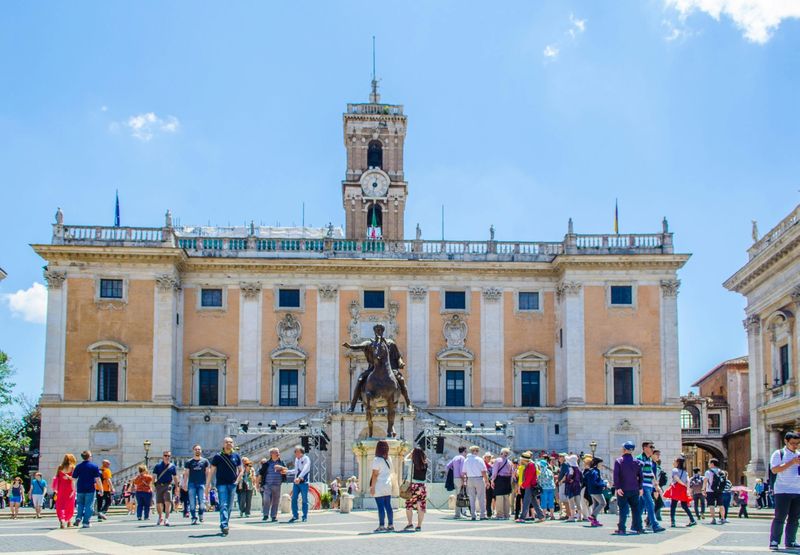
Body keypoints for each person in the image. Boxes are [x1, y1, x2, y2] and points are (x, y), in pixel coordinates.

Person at [345, 324, 414, 413]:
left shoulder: (390, 343)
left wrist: (400, 362)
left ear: (383, 331)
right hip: (373, 368)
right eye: (377, 330)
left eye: (380, 330)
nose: (379, 332)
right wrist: (350, 346)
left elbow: (398, 356)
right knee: (360, 379)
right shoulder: (370, 343)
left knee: (401, 379)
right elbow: (359, 346)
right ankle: (352, 406)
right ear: (374, 331)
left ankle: (408, 403)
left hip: (390, 368)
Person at [768, 430, 800, 550]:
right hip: (782, 490)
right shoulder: (779, 453)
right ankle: (774, 541)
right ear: (786, 441)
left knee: (794, 518)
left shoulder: (799, 454)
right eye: (792, 443)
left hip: (797, 490)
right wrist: (792, 462)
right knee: (780, 517)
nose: (795, 446)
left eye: (797, 443)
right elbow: (775, 470)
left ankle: (791, 541)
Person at [207, 437, 243, 535]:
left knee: (230, 506)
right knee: (223, 505)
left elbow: (241, 470)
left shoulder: (236, 456)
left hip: (232, 484)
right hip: (221, 484)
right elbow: (211, 471)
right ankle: (224, 525)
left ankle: (225, 523)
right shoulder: (218, 456)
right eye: (226, 442)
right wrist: (208, 485)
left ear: (233, 444)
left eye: (230, 442)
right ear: (223, 444)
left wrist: (237, 480)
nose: (228, 444)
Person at [613, 441, 644, 536]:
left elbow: (616, 475)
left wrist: (617, 487)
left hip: (623, 488)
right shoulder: (637, 462)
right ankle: (639, 528)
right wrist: (640, 487)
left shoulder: (619, 461)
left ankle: (622, 528)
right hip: (634, 488)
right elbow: (641, 476)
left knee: (623, 509)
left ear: (624, 449)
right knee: (636, 509)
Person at [637, 441, 665, 533]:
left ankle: (636, 525)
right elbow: (638, 474)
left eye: (653, 447)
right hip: (644, 486)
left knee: (641, 506)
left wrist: (656, 485)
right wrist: (640, 487)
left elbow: (651, 473)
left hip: (648, 485)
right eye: (651, 447)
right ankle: (655, 525)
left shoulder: (648, 459)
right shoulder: (640, 459)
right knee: (650, 503)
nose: (653, 448)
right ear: (645, 448)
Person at [72, 450, 103, 528]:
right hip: (90, 488)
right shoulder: (94, 466)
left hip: (80, 488)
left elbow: (74, 479)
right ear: (89, 457)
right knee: (89, 505)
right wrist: (101, 489)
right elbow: (97, 479)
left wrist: (73, 489)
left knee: (80, 504)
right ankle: (86, 522)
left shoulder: (78, 466)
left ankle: (79, 517)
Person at [663, 455, 697, 528]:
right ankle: (692, 519)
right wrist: (686, 488)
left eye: (674, 461)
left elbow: (676, 478)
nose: (673, 462)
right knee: (684, 506)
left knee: (673, 506)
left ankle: (673, 522)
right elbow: (688, 481)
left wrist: (682, 483)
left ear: (678, 462)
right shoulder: (685, 472)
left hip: (676, 488)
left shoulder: (675, 470)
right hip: (683, 489)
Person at [369, 439, 394, 532]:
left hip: (379, 485)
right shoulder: (389, 458)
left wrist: (372, 487)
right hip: (388, 484)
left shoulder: (376, 459)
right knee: (388, 505)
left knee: (380, 506)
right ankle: (391, 524)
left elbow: (375, 475)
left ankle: (382, 525)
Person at [283, 444, 311, 523]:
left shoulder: (306, 459)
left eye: (296, 452)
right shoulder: (296, 459)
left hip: (304, 482)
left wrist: (299, 477)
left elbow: (305, 469)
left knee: (305, 500)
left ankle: (304, 516)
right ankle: (295, 515)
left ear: (300, 452)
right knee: (294, 498)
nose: (295, 453)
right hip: (296, 482)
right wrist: (287, 472)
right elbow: (296, 470)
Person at [184, 444, 210, 525]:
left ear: (201, 451)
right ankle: (193, 517)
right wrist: (184, 484)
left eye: (199, 449)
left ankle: (201, 514)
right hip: (191, 484)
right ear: (193, 450)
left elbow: (207, 473)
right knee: (192, 502)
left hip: (201, 483)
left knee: (202, 502)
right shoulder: (189, 462)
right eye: (196, 449)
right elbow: (186, 474)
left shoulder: (205, 461)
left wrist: (209, 484)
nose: (197, 450)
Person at [257, 448, 286, 522]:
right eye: (276, 452)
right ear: (271, 454)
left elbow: (286, 470)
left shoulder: (282, 462)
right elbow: (260, 474)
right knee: (266, 500)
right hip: (267, 485)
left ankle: (273, 516)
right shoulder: (266, 463)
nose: (278, 453)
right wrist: (258, 485)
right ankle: (265, 515)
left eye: (278, 452)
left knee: (276, 501)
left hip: (277, 484)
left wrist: (282, 468)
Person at [403, 447, 427, 531]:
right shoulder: (425, 463)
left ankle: (410, 523)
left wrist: (410, 453)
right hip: (422, 487)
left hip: (412, 486)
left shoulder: (411, 463)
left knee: (409, 505)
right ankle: (419, 525)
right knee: (421, 506)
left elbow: (404, 459)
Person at [517, 451, 545, 523]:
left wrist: (523, 485)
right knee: (534, 502)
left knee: (526, 502)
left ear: (524, 460)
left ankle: (522, 517)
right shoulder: (530, 465)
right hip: (531, 485)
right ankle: (541, 516)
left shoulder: (531, 465)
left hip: (530, 486)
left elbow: (529, 477)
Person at [152, 450, 179, 526]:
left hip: (168, 485)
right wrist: (153, 485)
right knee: (159, 503)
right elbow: (154, 476)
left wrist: (177, 486)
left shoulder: (172, 466)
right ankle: (160, 516)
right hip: (159, 485)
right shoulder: (158, 466)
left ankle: (166, 519)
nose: (167, 457)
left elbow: (175, 477)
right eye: (165, 455)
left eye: (168, 456)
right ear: (163, 456)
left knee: (168, 501)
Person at [463, 445, 489, 520]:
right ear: (476, 451)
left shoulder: (466, 460)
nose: (478, 452)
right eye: (477, 451)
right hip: (479, 478)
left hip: (470, 479)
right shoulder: (479, 459)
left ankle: (473, 515)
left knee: (471, 498)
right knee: (481, 497)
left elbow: (464, 472)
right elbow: (483, 471)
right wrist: (487, 481)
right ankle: (482, 515)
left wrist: (465, 481)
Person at [53, 454, 76, 528]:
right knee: (69, 505)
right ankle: (69, 521)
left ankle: (62, 520)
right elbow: (74, 478)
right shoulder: (73, 468)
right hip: (70, 489)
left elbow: (56, 477)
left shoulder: (60, 467)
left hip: (61, 489)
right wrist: (69, 477)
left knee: (60, 505)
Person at [491, 448, 514, 520]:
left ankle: (500, 514)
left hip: (500, 479)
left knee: (499, 497)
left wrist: (492, 480)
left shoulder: (498, 460)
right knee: (506, 498)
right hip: (507, 480)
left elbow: (494, 472)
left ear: (501, 453)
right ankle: (506, 514)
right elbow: (512, 473)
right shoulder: (510, 462)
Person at [584, 457, 607, 527]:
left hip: (591, 490)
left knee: (596, 504)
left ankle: (594, 521)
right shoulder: (595, 471)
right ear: (597, 464)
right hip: (596, 490)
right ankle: (593, 516)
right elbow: (596, 481)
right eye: (601, 463)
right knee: (603, 503)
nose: (602, 465)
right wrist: (603, 484)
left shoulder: (590, 471)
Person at [703, 458, 725, 525]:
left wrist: (703, 489)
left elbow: (705, 481)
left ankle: (713, 519)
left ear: (712, 464)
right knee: (721, 505)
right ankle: (723, 518)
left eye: (709, 463)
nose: (708, 464)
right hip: (719, 490)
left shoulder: (708, 472)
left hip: (710, 490)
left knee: (711, 505)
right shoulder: (721, 472)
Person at [446, 446, 467, 519]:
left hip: (455, 478)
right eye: (466, 452)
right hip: (460, 478)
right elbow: (462, 471)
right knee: (460, 496)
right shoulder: (462, 458)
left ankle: (458, 513)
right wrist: (463, 479)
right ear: (464, 451)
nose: (466, 453)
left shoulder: (455, 458)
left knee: (458, 495)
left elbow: (448, 466)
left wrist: (453, 470)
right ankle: (458, 514)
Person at [564, 454, 583, 522]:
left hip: (571, 487)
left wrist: (568, 479)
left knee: (571, 502)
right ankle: (580, 516)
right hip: (577, 486)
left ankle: (572, 516)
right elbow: (581, 478)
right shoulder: (578, 469)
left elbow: (569, 477)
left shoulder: (570, 468)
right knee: (578, 502)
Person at [556, 452, 573, 520]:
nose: (559, 458)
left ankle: (568, 514)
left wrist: (561, 481)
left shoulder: (565, 464)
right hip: (562, 483)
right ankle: (567, 514)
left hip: (564, 483)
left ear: (564, 458)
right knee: (563, 499)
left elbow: (566, 474)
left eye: (560, 456)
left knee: (564, 499)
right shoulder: (562, 465)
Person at [483, 452, 495, 518]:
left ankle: (489, 513)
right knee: (486, 498)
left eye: (490, 457)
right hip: (484, 483)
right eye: (488, 457)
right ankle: (486, 512)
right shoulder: (483, 464)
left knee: (489, 498)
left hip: (489, 483)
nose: (490, 458)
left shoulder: (490, 466)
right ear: (485, 458)